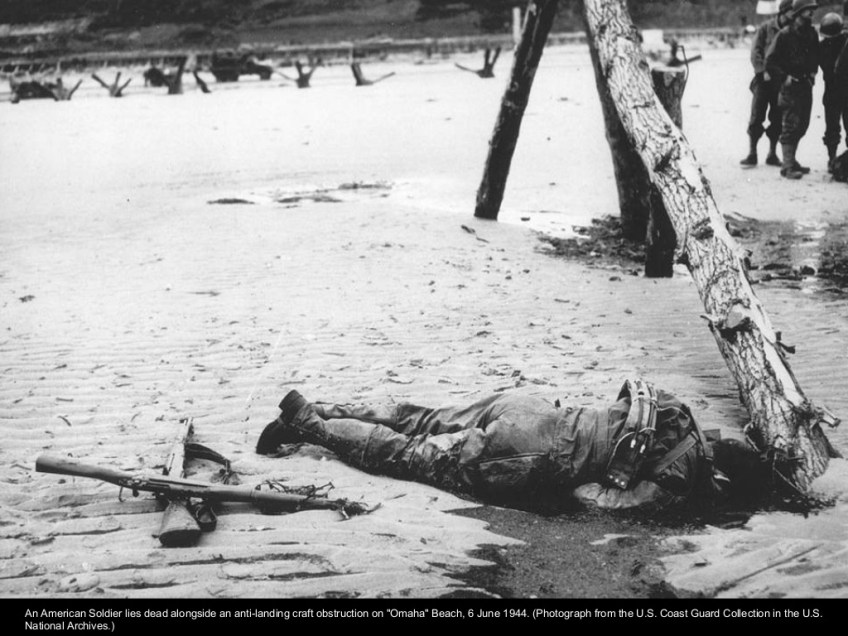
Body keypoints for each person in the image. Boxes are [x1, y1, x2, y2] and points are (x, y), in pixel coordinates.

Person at [256, 381, 771, 513]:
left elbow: (623, 399)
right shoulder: (678, 480)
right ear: (720, 475)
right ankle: (307, 423)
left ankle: (324, 407)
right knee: (411, 456)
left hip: (533, 408)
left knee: (424, 418)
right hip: (531, 454)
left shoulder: (678, 411)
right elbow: (595, 501)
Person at [765, 0, 820, 179]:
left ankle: (792, 160)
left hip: (805, 85)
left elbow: (815, 56)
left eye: (812, 9)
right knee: (790, 125)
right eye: (808, 9)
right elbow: (770, 61)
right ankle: (787, 166)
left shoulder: (811, 33)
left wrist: (812, 73)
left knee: (802, 125)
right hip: (790, 88)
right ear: (798, 12)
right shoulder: (784, 34)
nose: (812, 12)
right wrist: (784, 78)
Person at [741, 0, 794, 167]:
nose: (793, 15)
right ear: (783, 12)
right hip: (763, 80)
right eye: (791, 11)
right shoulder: (765, 28)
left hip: (780, 80)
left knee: (777, 118)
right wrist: (762, 71)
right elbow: (755, 51)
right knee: (757, 116)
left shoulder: (791, 31)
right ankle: (752, 153)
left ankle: (772, 154)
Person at [819, 13, 848, 172]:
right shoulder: (823, 46)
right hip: (832, 91)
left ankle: (837, 160)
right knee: (831, 128)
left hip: (839, 91)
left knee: (834, 127)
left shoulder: (843, 44)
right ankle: (832, 158)